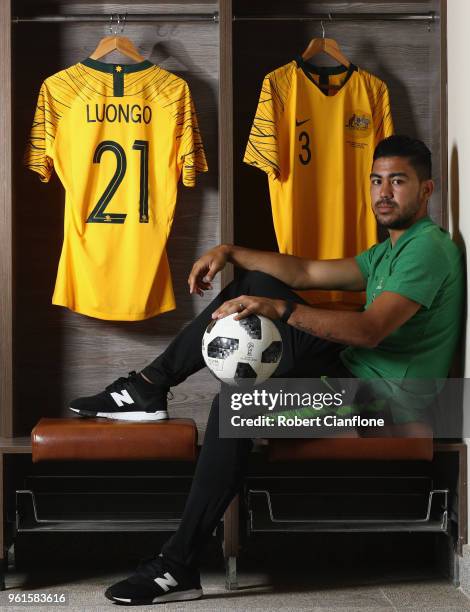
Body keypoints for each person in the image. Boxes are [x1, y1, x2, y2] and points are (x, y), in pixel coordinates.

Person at [69, 135, 464, 605]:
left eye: (398, 181)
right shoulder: (392, 249)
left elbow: (369, 331)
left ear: (427, 189)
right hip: (352, 372)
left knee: (235, 408)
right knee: (254, 281)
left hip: (382, 400)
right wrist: (230, 252)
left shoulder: (427, 250)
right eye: (377, 180)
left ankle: (177, 567)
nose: (383, 192)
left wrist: (278, 309)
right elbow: (305, 274)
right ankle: (149, 386)